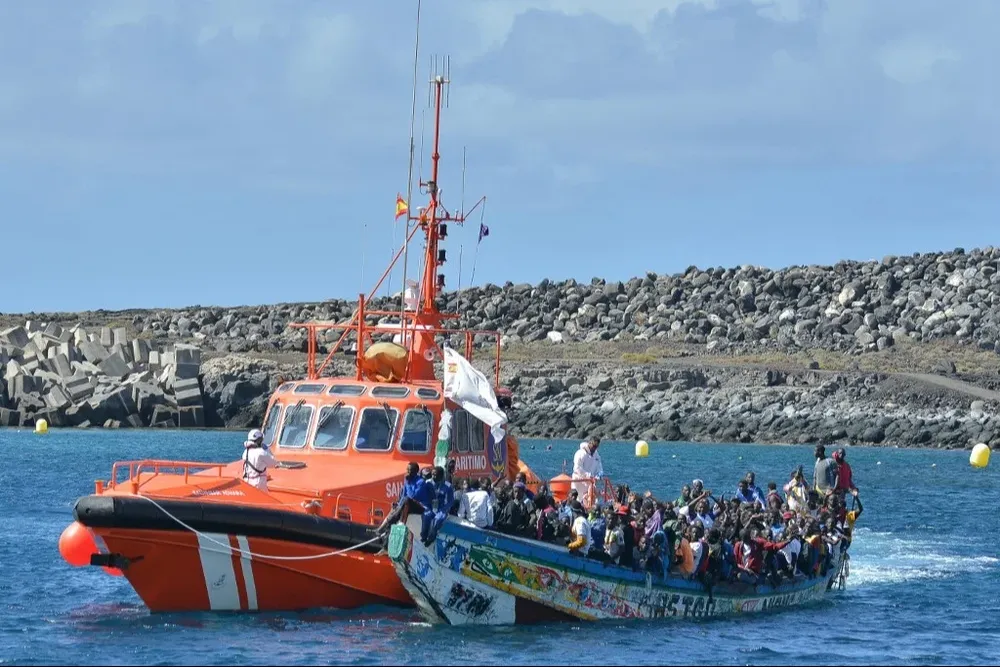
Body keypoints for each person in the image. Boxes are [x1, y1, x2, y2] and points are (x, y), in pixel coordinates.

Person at [572, 436, 604, 504]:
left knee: (594, 498)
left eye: (596, 447)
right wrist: (588, 475)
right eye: (594, 446)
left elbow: (599, 468)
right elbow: (577, 468)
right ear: (589, 443)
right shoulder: (580, 453)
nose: (595, 448)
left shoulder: (596, 455)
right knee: (580, 499)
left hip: (590, 482)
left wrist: (599, 475)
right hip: (579, 481)